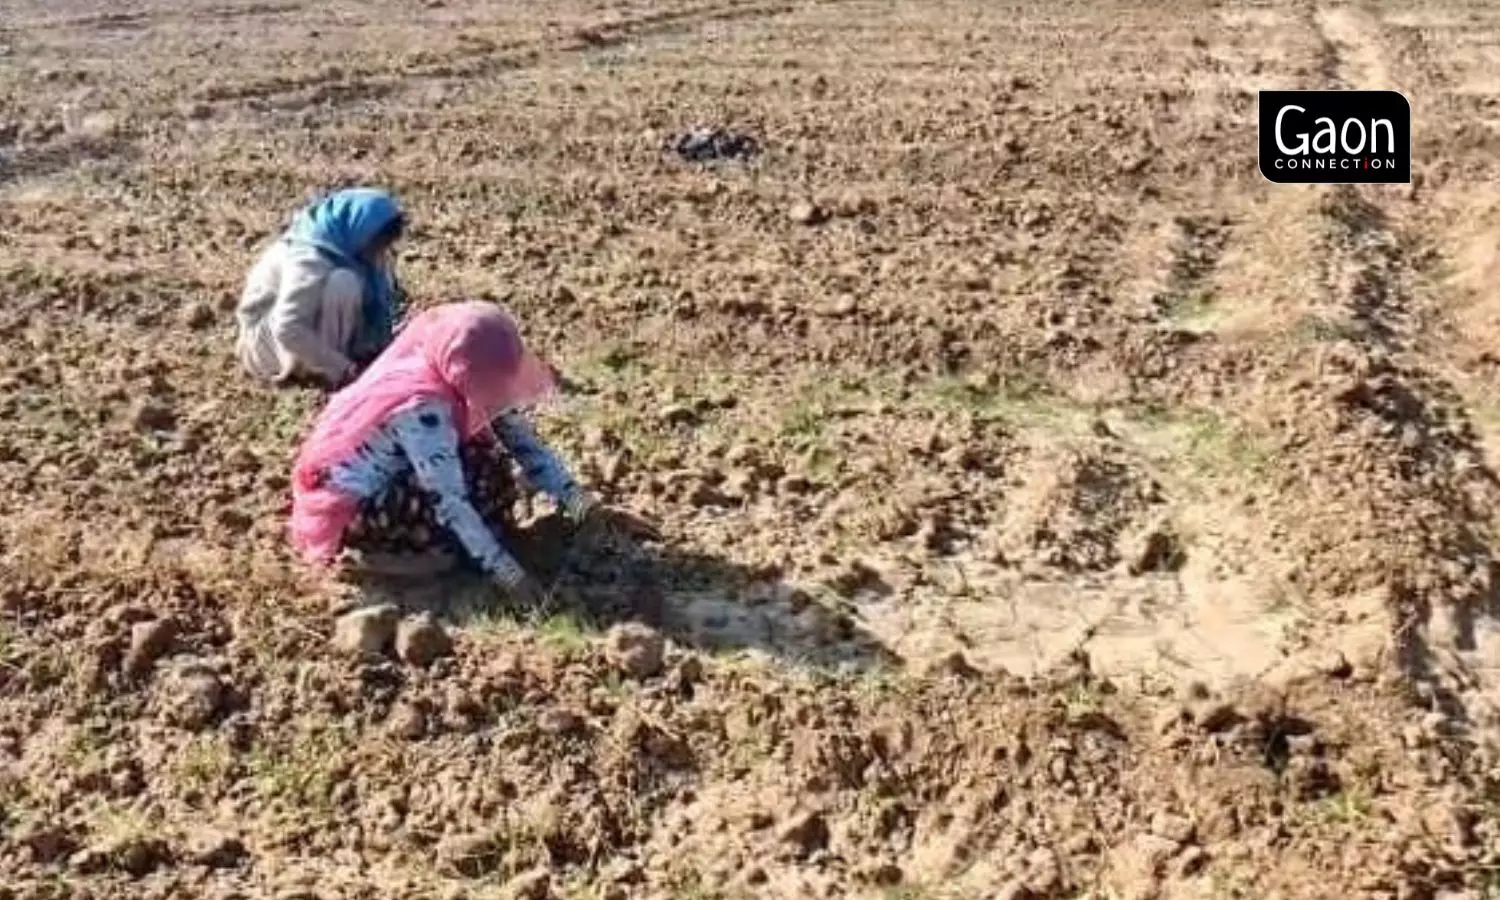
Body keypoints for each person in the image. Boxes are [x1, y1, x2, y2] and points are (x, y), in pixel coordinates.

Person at [287, 300, 655, 608]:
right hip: (361, 506)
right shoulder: (423, 408)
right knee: (453, 508)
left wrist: (586, 509)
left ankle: (467, 549)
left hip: (408, 472)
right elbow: (449, 500)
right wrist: (509, 577)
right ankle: (392, 562)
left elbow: (525, 446)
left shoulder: (467, 379)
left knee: (489, 467)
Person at [235, 187, 408, 389]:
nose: (380, 253)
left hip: (298, 333)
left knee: (353, 280)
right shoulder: (308, 256)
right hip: (268, 345)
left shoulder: (351, 248)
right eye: (377, 245)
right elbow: (288, 328)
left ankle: (335, 360)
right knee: (344, 283)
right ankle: (325, 373)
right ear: (360, 230)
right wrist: (345, 369)